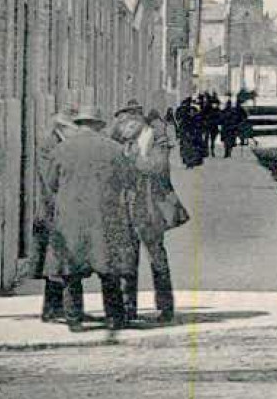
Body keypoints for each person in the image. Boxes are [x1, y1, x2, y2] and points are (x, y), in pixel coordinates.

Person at [44, 102, 138, 331]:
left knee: (70, 272)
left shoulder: (62, 149)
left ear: (79, 124)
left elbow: (51, 183)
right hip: (104, 217)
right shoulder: (114, 149)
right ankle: (114, 318)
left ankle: (74, 320)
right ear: (99, 125)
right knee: (110, 271)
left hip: (71, 217)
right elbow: (128, 181)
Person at [110, 104, 187, 324]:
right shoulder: (126, 142)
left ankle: (165, 307)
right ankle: (128, 308)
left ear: (136, 122)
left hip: (150, 210)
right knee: (127, 259)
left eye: (125, 125)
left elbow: (157, 166)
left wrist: (131, 158)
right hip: (128, 209)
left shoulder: (156, 140)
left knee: (157, 259)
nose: (122, 130)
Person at [34, 111, 83, 323]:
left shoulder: (57, 142)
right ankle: (52, 309)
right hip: (54, 209)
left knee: (58, 259)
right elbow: (51, 182)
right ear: (63, 128)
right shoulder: (50, 144)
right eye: (75, 129)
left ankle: (57, 308)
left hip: (59, 207)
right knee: (56, 259)